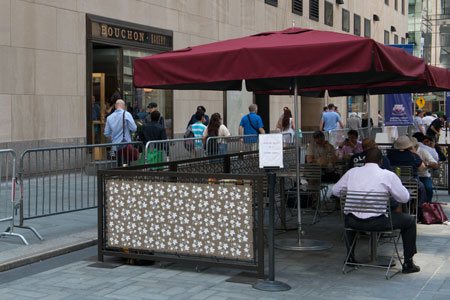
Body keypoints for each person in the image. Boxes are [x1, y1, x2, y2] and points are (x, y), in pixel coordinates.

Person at [332, 148, 420, 274]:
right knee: (409, 221)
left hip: (352, 222)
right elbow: (404, 198)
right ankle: (408, 262)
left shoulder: (352, 172)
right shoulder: (387, 175)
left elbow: (335, 191)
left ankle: (350, 257)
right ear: (381, 162)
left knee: (349, 214)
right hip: (377, 222)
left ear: (364, 160)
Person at [387, 136, 428, 219]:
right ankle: (419, 211)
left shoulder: (390, 155)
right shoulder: (413, 156)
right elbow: (421, 168)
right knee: (422, 188)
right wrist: (414, 152)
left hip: (395, 183)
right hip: (411, 183)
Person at [104, 99, 137, 166]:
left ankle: (119, 175)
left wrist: (112, 137)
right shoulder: (127, 114)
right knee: (125, 163)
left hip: (115, 145)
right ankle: (125, 175)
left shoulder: (109, 117)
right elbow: (134, 129)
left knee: (118, 163)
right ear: (123, 106)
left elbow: (106, 133)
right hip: (125, 144)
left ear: (116, 106)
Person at [411, 137, 438, 203]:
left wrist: (426, 163)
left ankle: (427, 205)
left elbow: (435, 164)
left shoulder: (423, 152)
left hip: (423, 175)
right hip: (411, 176)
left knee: (428, 188)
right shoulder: (406, 153)